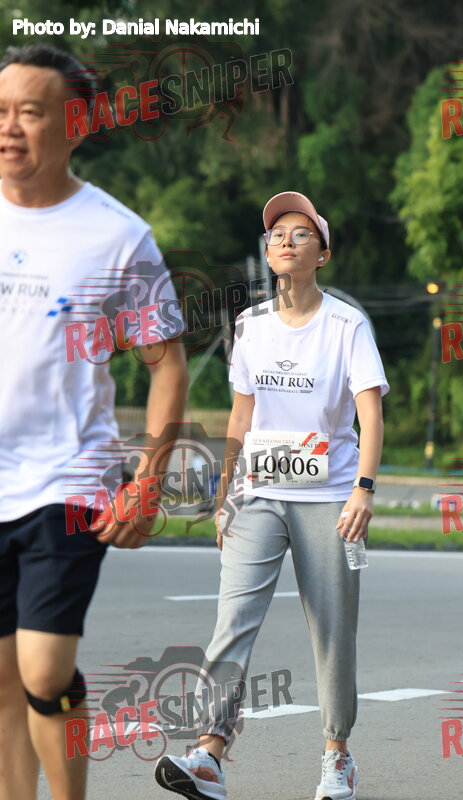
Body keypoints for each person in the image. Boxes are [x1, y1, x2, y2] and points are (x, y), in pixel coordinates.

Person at [155, 191, 389, 800]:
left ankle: (337, 755)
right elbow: (241, 417)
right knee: (232, 621)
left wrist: (363, 489)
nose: (286, 240)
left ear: (323, 253)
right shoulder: (250, 325)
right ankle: (210, 754)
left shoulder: (347, 325)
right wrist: (224, 494)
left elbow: (369, 413)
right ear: (267, 251)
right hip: (257, 493)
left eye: (300, 233)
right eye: (276, 234)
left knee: (332, 631)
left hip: (330, 499)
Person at [0, 44, 188, 800]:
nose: (9, 127)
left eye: (29, 112)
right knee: (3, 677)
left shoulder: (116, 235)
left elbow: (166, 364)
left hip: (68, 478)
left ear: (74, 124)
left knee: (43, 670)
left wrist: (147, 482)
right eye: (0, 111)